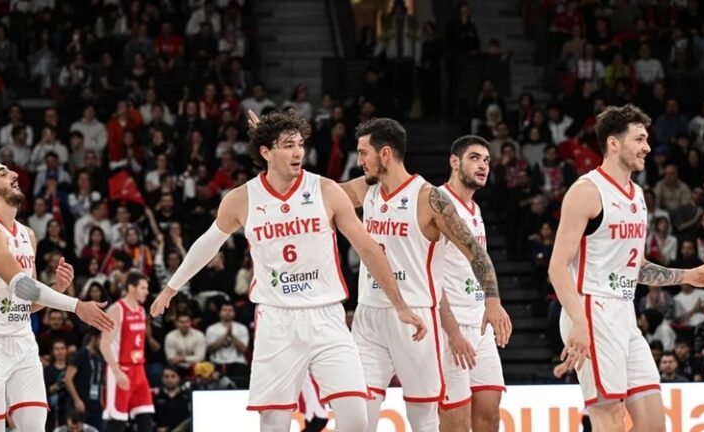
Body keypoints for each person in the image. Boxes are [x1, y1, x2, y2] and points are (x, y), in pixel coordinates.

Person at [150, 110, 426, 432]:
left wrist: (400, 304)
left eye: (300, 144)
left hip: (326, 317)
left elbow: (369, 249)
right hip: (277, 320)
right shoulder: (241, 199)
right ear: (266, 152)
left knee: (356, 417)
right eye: (288, 146)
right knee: (274, 423)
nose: (298, 153)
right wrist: (171, 287)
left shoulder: (325, 191)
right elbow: (206, 245)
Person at [549, 105, 704, 431]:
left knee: (653, 423)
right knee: (609, 420)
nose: (647, 147)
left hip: (625, 313)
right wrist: (579, 321)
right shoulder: (586, 191)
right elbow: (557, 267)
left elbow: (637, 267)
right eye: (639, 139)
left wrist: (688, 275)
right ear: (614, 143)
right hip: (591, 309)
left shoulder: (638, 195)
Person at [339, 119, 511, 432]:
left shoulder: (429, 199)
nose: (359, 160)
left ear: (385, 154)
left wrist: (492, 300)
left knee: (432, 419)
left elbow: (476, 253)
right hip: (373, 314)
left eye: (364, 153)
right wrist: (275, 152)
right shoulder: (367, 190)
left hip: (418, 315)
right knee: (358, 417)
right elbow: (321, 196)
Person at [0, 163, 114, 431]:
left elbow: (27, 303)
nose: (14, 174)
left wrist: (58, 288)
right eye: (3, 173)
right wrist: (76, 305)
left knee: (34, 427)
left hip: (22, 341)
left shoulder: (28, 234)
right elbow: (22, 285)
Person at [438, 136, 510, 431]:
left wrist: (492, 304)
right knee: (455, 422)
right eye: (475, 158)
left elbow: (479, 267)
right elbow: (427, 276)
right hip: (449, 326)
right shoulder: (436, 203)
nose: (483, 165)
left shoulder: (475, 210)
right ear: (454, 162)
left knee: (490, 414)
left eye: (487, 160)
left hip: (479, 324)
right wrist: (452, 331)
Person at [100, 271, 154, 432]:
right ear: (131, 288)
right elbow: (104, 344)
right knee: (118, 422)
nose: (147, 292)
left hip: (139, 369)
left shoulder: (142, 311)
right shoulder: (116, 310)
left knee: (146, 419)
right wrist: (116, 371)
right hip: (120, 369)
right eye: (143, 288)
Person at [64, 329, 104, 431]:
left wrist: (101, 400)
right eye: (102, 339)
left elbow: (100, 380)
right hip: (81, 404)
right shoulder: (81, 355)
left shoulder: (100, 356)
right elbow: (68, 378)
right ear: (94, 338)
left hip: (96, 405)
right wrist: (77, 400)